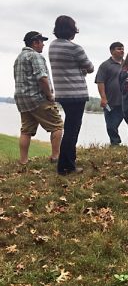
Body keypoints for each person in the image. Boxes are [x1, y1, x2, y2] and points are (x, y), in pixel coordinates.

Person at [49, 15, 94, 175]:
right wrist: (80, 69)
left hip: (62, 93)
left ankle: (69, 160)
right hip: (76, 93)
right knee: (72, 129)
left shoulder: (52, 46)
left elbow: (67, 66)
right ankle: (66, 165)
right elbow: (90, 67)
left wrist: (77, 68)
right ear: (71, 30)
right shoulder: (75, 48)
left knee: (69, 126)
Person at [13, 31, 63, 165]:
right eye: (42, 42)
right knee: (57, 126)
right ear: (35, 42)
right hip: (38, 98)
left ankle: (23, 161)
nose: (43, 44)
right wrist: (49, 95)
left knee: (26, 130)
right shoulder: (35, 56)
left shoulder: (19, 58)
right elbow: (42, 78)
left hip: (22, 100)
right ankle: (55, 157)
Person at [95, 42, 125, 146]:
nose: (122, 51)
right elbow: (100, 81)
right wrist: (103, 98)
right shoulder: (105, 65)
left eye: (122, 49)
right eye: (118, 49)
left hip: (126, 100)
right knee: (111, 125)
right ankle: (115, 143)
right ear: (112, 51)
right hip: (110, 101)